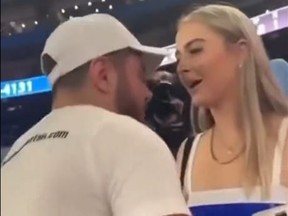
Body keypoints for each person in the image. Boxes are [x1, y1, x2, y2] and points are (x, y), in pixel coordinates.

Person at [1, 14, 190, 216]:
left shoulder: (15, 153)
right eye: (140, 75)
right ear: (103, 75)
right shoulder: (128, 138)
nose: (148, 93)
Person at [175, 4, 288, 216]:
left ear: (241, 51)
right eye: (179, 56)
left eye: (195, 50)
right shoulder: (187, 153)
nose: (182, 67)